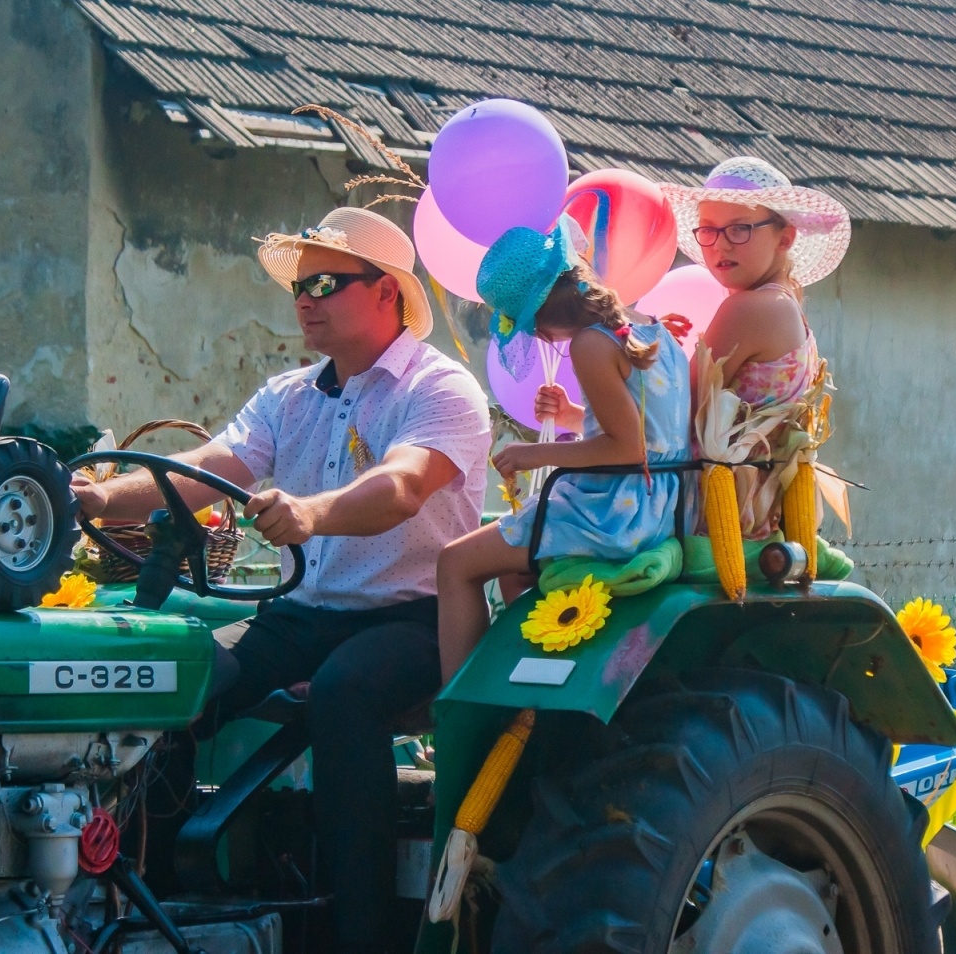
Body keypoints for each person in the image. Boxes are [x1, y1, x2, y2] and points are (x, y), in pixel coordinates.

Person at [71, 206, 490, 954]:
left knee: (345, 690)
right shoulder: (289, 394)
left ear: (388, 291)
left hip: (417, 619)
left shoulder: (441, 389)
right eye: (299, 286)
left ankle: (359, 936)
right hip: (304, 614)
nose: (305, 299)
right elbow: (206, 472)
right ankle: (155, 904)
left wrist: (310, 514)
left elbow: (401, 485)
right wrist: (100, 497)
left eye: (326, 283)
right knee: (177, 679)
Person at [436, 215, 691, 683]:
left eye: (529, 325)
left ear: (543, 312)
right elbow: (651, 433)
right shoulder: (655, 331)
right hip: (658, 505)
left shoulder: (590, 346)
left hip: (613, 513)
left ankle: (455, 700)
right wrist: (575, 415)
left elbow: (627, 448)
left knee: (456, 562)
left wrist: (536, 454)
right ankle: (537, 669)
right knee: (513, 572)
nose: (534, 337)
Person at [666, 155, 850, 538]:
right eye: (709, 230)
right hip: (757, 513)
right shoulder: (786, 306)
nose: (720, 245)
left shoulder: (749, 308)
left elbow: (673, 417)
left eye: (739, 229)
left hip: (714, 512)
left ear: (785, 237)